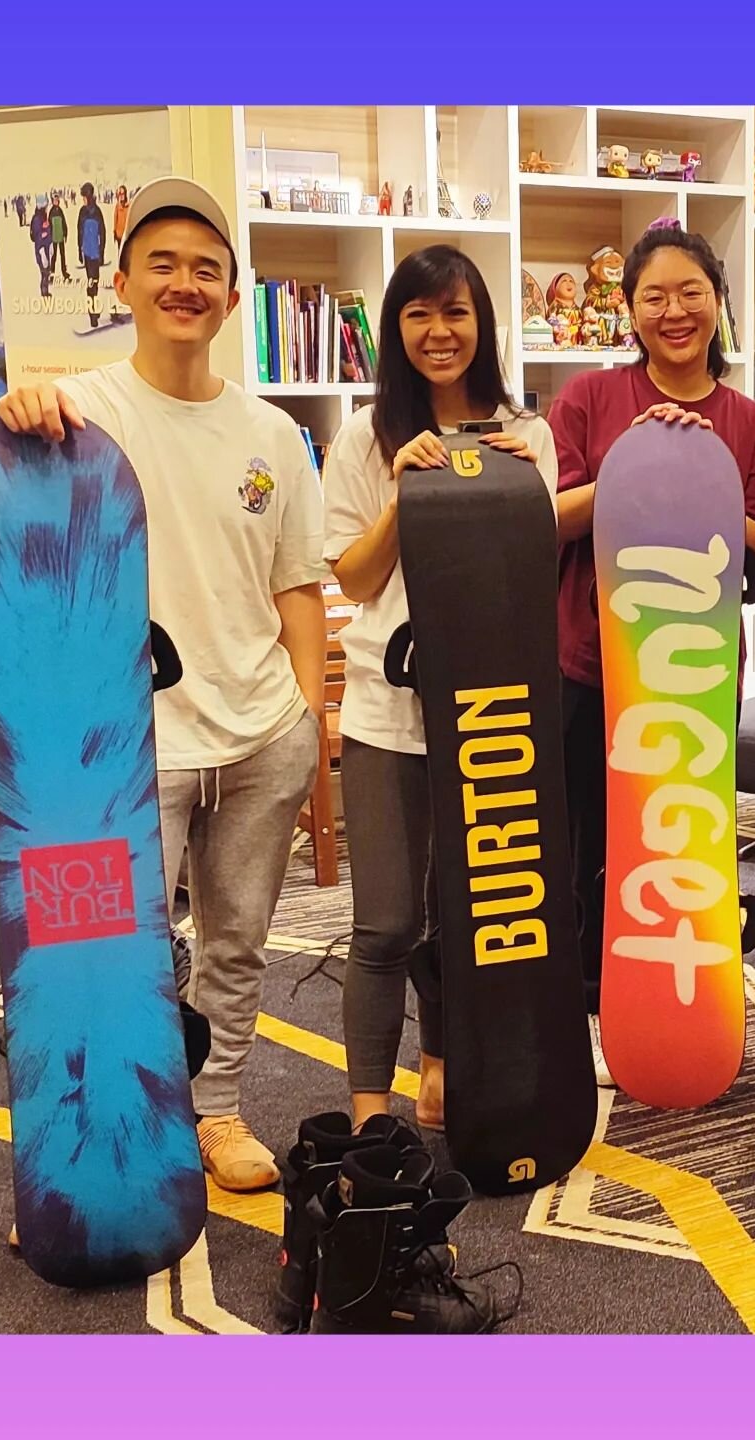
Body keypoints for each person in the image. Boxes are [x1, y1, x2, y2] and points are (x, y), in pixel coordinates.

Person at [0, 176, 326, 1191]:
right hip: (127, 746)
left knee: (237, 944)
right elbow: (12, 477)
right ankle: (105, 1138)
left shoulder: (273, 437)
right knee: (109, 956)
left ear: (233, 298)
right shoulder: (81, 412)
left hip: (261, 728)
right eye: (164, 264)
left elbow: (298, 587)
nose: (185, 284)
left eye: (207, 269)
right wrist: (23, 401)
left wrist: (309, 721)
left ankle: (217, 1112)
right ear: (126, 281)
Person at [322, 244, 557, 1134]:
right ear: (395, 329)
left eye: (455, 313)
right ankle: (368, 1115)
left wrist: (511, 490)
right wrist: (402, 492)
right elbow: (351, 578)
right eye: (418, 315)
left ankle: (443, 1065)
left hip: (491, 709)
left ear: (482, 323)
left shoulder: (525, 433)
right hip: (389, 711)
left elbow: (532, 575)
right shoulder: (362, 434)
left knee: (471, 917)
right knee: (385, 922)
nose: (438, 332)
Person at [549, 221, 755, 1083]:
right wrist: (637, 466)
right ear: (629, 310)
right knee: (587, 841)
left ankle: (682, 1002)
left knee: (684, 840)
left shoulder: (753, 422)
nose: (675, 310)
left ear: (719, 302)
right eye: (655, 296)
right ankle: (588, 1003)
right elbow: (555, 514)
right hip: (593, 660)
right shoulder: (586, 400)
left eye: (692, 293)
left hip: (694, 671)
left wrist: (696, 470)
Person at [77, 182, 107, 329]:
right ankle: (92, 315)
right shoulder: (82, 212)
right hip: (88, 253)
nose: (83, 199)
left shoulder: (97, 212)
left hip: (95, 253)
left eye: (84, 196)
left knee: (94, 283)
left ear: (88, 196)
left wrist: (102, 253)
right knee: (91, 283)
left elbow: (103, 233)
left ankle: (94, 308)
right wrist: (79, 250)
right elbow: (79, 231)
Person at [49, 196, 70, 283]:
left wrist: (65, 233)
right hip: (54, 237)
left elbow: (64, 223)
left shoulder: (60, 211)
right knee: (54, 256)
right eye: (55, 201)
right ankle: (52, 273)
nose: (56, 202)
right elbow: (49, 225)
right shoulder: (51, 211)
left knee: (62, 255)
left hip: (60, 236)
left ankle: (64, 272)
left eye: (57, 200)